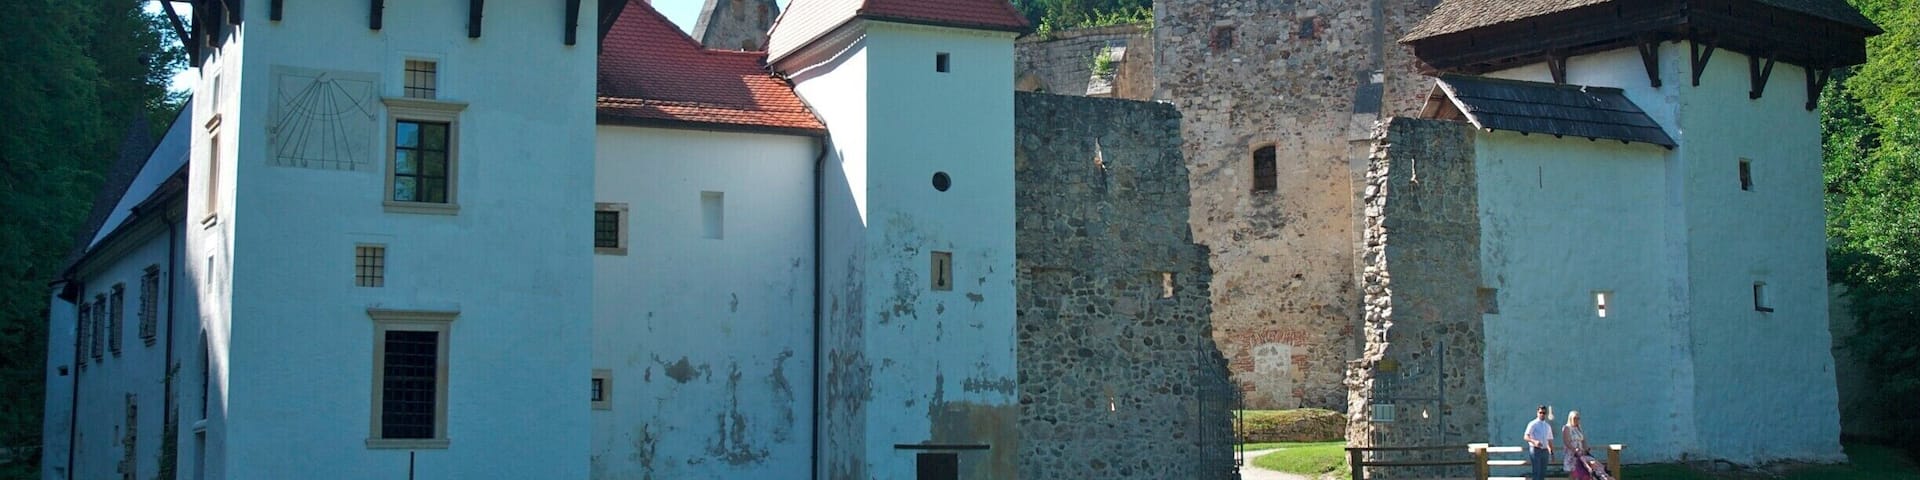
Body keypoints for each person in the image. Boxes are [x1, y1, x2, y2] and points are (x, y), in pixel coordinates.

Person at [1562, 411, 1603, 480]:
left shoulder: (1578, 428)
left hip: (1581, 453)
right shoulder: (1567, 428)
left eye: (1578, 418)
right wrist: (1575, 450)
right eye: (1575, 418)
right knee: (1573, 473)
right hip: (1572, 453)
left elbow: (1583, 440)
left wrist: (1586, 448)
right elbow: (1567, 442)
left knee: (1582, 471)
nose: (1577, 420)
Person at [1525, 405, 1554, 480]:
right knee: (1536, 472)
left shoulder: (1547, 426)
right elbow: (1526, 436)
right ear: (1537, 413)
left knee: (1543, 473)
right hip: (1536, 449)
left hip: (1545, 450)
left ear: (1546, 414)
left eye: (1544, 413)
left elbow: (1550, 439)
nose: (1542, 414)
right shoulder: (1533, 424)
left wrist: (1552, 452)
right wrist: (1534, 441)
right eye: (1540, 412)